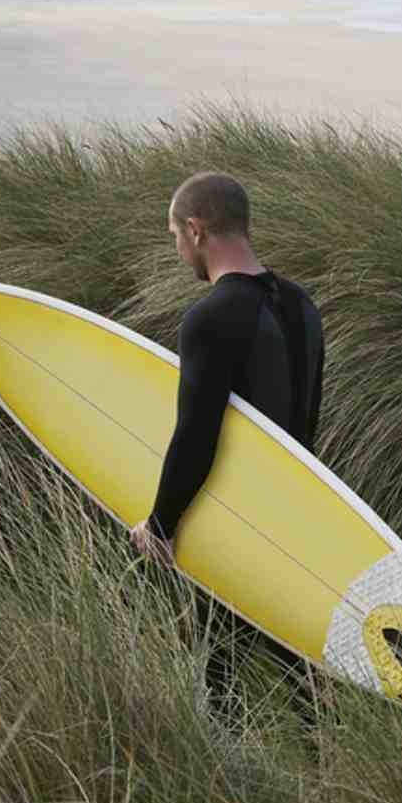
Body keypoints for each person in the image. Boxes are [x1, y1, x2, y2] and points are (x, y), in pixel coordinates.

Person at [128, 171, 325, 720]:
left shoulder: (211, 317)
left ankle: (228, 761)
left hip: (236, 517)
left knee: (219, 668)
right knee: (296, 664)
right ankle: (331, 757)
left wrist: (161, 523)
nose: (178, 249)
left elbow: (197, 432)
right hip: (299, 514)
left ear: (196, 230)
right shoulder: (303, 306)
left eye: (176, 236)